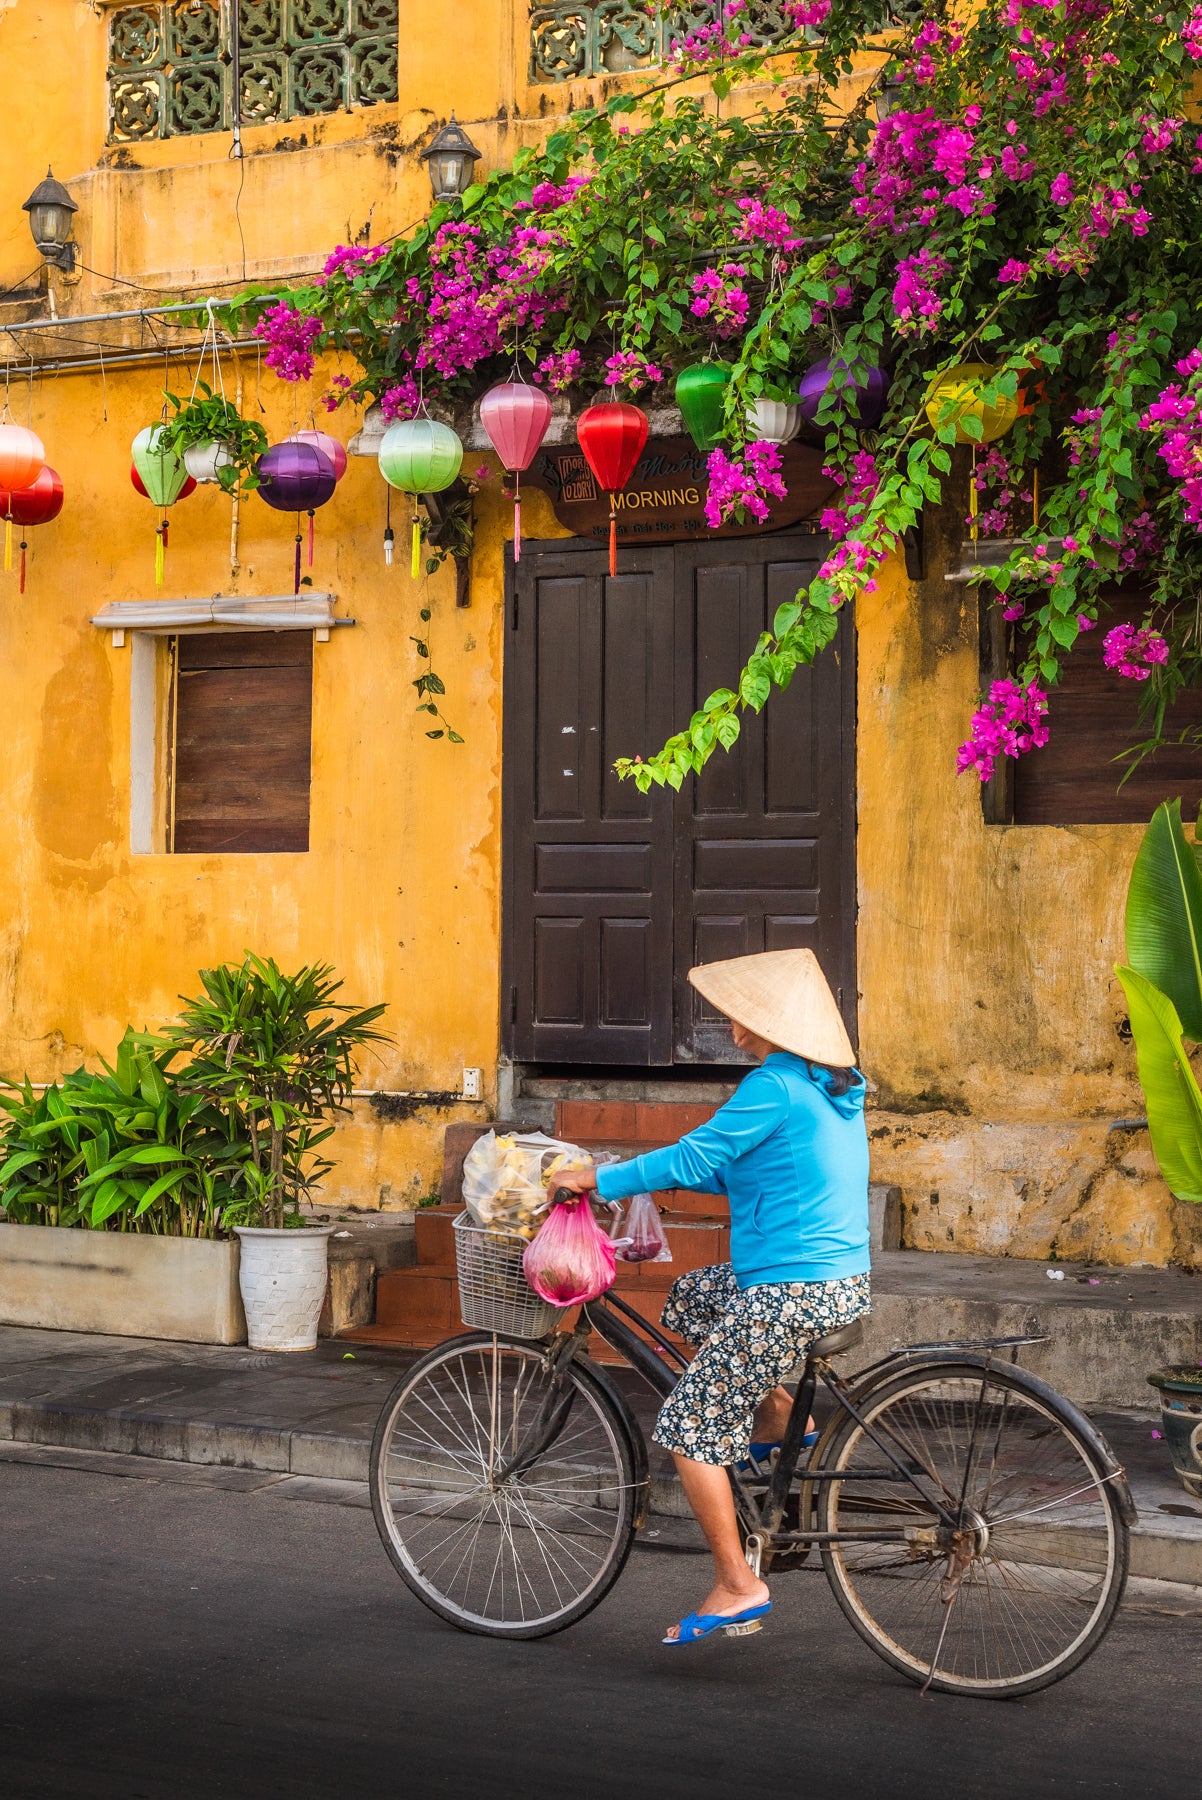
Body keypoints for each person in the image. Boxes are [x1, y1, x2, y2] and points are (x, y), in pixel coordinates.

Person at [553, 947, 871, 1648]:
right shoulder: (830, 1085)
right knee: (695, 1296)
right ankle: (781, 1422)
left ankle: (737, 1581)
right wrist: (653, 1183)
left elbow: (698, 1157)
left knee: (689, 1427)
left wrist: (601, 1181)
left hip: (791, 1292)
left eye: (742, 1017)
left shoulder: (775, 1086)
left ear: (775, 1025)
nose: (732, 1030)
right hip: (834, 1283)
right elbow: (746, 1177)